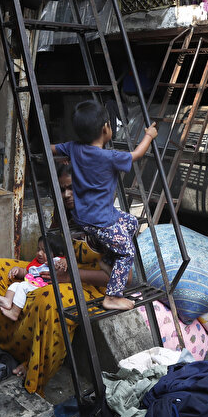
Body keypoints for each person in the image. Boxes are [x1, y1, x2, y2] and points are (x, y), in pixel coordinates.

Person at [51, 100, 157, 311]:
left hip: (87, 216)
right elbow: (137, 154)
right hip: (100, 221)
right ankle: (112, 296)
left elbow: (51, 148)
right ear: (105, 128)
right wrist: (149, 136)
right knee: (127, 252)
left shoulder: (73, 148)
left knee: (131, 222)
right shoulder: (110, 157)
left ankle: (108, 261)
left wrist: (56, 155)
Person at [0, 237, 110, 392]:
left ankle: (34, 365)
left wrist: (69, 275)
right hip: (49, 273)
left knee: (49, 299)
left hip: (86, 285)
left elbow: (122, 278)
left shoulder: (110, 226)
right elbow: (50, 242)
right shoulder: (65, 214)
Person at [0, 233, 67, 321]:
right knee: (15, 284)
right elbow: (25, 272)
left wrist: (64, 261)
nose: (39, 253)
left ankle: (14, 313)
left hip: (43, 286)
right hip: (31, 285)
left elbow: (66, 263)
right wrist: (17, 270)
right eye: (38, 249)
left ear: (55, 253)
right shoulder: (35, 263)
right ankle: (8, 301)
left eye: (44, 251)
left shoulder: (56, 260)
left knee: (22, 286)